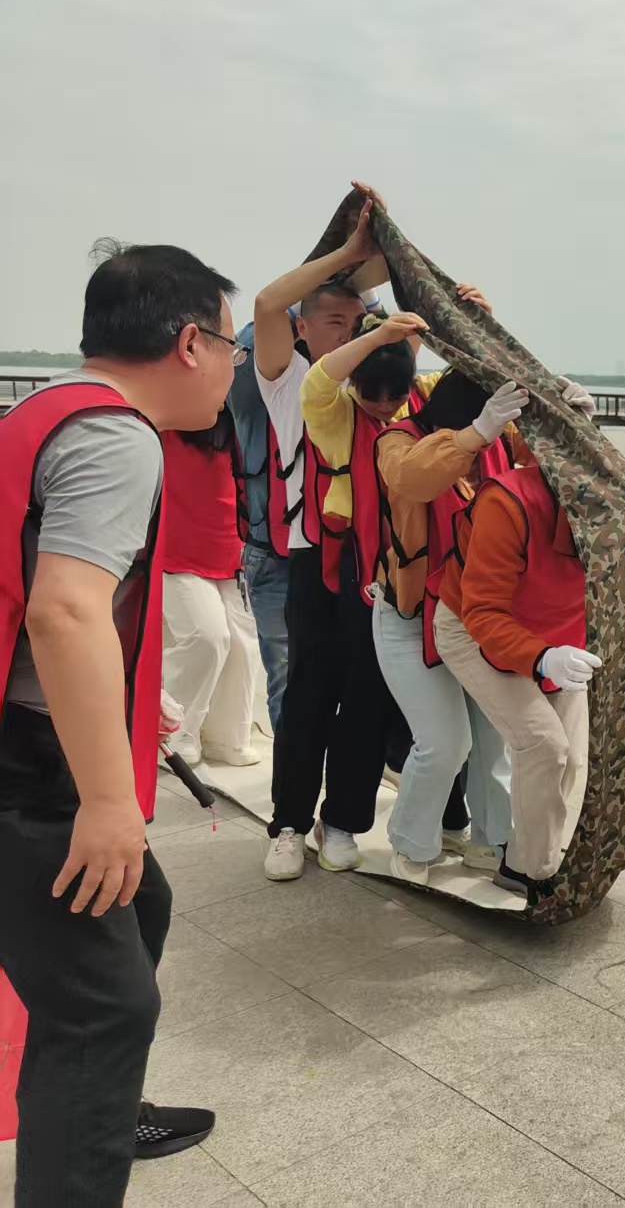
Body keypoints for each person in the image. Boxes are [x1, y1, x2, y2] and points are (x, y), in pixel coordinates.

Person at [0, 242, 235, 1205]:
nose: (231, 367)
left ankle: (100, 1103)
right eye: (229, 345)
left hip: (26, 729)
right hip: (29, 769)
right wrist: (105, 800)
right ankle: (84, 1127)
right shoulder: (117, 437)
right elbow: (63, 610)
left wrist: (134, 697)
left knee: (144, 908)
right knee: (102, 1010)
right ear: (190, 343)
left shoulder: (46, 409)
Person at [373, 365, 593, 884]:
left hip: (486, 617)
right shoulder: (399, 441)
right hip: (414, 615)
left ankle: (494, 843)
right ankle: (411, 842)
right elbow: (413, 477)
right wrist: (475, 434)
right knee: (446, 742)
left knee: (500, 741)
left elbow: (548, 457)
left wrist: (576, 419)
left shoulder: (499, 440)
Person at [251, 185, 406, 880]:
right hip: (311, 558)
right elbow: (265, 303)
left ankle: (341, 819)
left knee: (368, 691)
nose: (346, 333)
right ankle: (288, 822)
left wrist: (466, 314)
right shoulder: (289, 380)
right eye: (334, 321)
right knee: (308, 691)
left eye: (356, 321)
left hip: (376, 564)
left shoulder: (380, 385)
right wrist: (348, 253)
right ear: (303, 327)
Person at [432, 443, 597, 898]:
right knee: (544, 745)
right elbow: (482, 612)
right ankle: (530, 869)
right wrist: (541, 658)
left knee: (573, 757)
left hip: (558, 632)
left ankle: (544, 853)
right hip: (473, 628)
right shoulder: (508, 501)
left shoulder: (617, 504)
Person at [158, 410, 261, 767]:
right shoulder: (166, 426)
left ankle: (225, 736)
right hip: (175, 557)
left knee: (244, 647)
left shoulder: (242, 425)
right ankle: (172, 731)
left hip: (233, 555)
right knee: (207, 637)